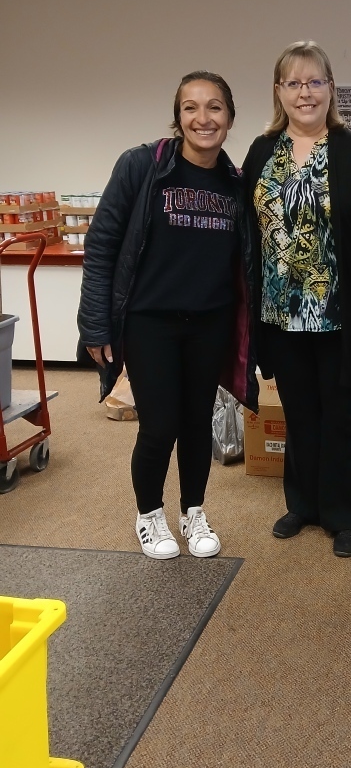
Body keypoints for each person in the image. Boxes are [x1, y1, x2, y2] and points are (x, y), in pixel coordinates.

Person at [78, 72, 259, 560]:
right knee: (159, 427)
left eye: (215, 107)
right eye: (191, 107)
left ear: (230, 117)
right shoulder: (142, 166)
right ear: (178, 117)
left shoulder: (235, 182)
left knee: (197, 422)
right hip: (150, 321)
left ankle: (193, 511)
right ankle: (150, 514)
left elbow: (245, 261)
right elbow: (102, 246)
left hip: (210, 321)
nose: (203, 118)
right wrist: (94, 323)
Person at [241, 42, 351, 558]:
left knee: (344, 416)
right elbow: (248, 232)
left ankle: (347, 513)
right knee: (300, 413)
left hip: (341, 315)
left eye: (314, 82)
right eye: (293, 83)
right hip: (279, 315)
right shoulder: (261, 153)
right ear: (278, 91)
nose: (304, 92)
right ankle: (303, 504)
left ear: (331, 88)